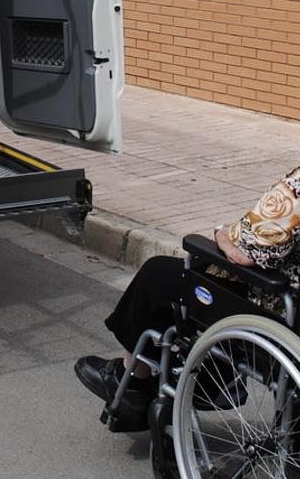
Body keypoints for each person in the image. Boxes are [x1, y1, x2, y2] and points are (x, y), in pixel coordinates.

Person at [75, 165, 300, 429]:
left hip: (278, 317)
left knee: (159, 274)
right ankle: (210, 378)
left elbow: (244, 252)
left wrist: (221, 233)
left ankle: (134, 382)